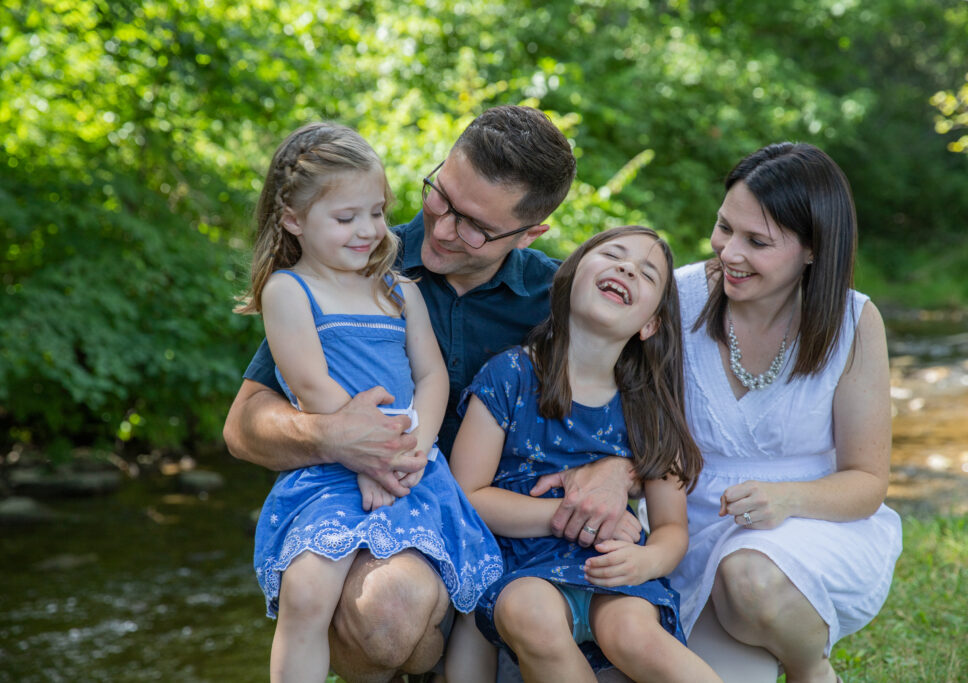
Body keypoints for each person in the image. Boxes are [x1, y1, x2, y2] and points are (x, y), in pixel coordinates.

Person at [222, 105, 594, 681]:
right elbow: (244, 424)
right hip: (370, 511)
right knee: (385, 615)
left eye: (475, 225)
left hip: (510, 532)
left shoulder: (560, 300)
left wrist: (624, 469)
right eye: (439, 197)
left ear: (530, 232)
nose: (443, 229)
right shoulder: (352, 259)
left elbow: (647, 404)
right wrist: (339, 439)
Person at [667, 142, 903, 682]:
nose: (728, 252)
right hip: (688, 528)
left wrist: (787, 498)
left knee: (750, 579)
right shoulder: (675, 297)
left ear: (813, 249)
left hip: (808, 527)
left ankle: (809, 668)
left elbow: (867, 481)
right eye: (724, 227)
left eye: (757, 242)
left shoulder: (852, 322)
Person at [447, 226, 722, 683]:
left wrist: (648, 561)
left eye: (647, 274)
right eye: (614, 254)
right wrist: (566, 514)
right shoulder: (509, 375)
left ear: (650, 324)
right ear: (570, 276)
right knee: (532, 615)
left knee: (633, 632)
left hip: (614, 571)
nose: (627, 268)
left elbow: (672, 527)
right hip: (521, 567)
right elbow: (466, 496)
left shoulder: (650, 406)